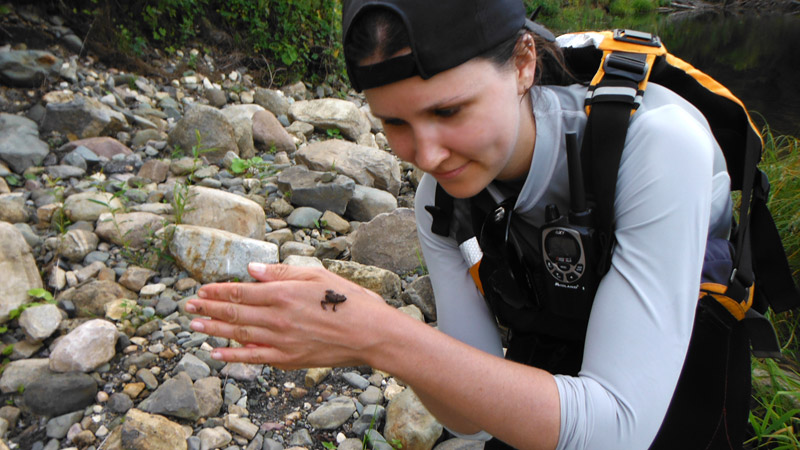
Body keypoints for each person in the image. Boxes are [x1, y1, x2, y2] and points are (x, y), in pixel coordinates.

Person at [185, 1, 746, 448]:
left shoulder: (656, 146)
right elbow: (469, 423)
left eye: (448, 111)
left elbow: (618, 431)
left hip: (683, 348)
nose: (426, 155)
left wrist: (379, 333)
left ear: (524, 63)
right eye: (395, 122)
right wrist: (370, 341)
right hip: (554, 327)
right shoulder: (442, 200)